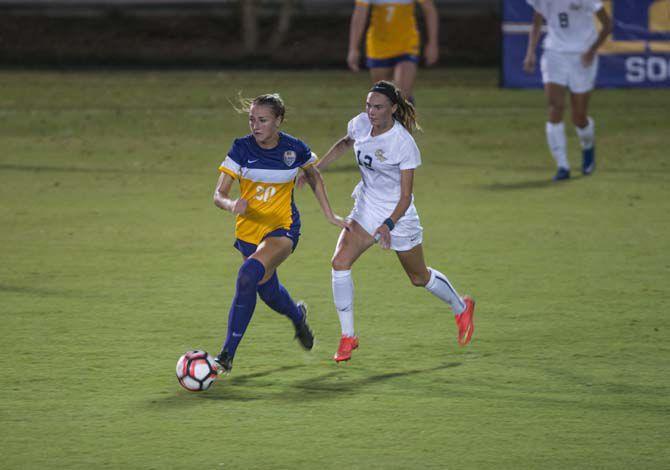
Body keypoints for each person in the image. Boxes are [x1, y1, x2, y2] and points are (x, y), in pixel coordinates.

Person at [298, 81, 475, 363]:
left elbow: (405, 197)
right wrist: (313, 171)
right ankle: (348, 337)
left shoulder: (403, 144)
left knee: (419, 278)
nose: (371, 111)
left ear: (393, 108)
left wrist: (388, 225)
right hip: (367, 206)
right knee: (340, 263)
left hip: (398, 215)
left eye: (378, 107)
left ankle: (461, 306)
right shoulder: (359, 124)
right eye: (368, 105)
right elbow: (345, 143)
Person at [212, 93, 349, 374]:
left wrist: (330, 214)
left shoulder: (293, 148)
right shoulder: (241, 148)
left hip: (283, 228)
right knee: (264, 287)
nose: (255, 125)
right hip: (249, 231)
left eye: (262, 120)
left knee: (247, 275)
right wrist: (231, 204)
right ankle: (297, 316)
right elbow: (219, 194)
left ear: (278, 121)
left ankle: (226, 355)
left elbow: (314, 176)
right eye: (252, 119)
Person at [523, 0, 611, 181]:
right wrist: (530, 52)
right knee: (556, 107)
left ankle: (588, 148)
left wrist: (592, 50)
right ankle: (562, 166)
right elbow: (537, 22)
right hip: (555, 53)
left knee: (579, 117)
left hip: (582, 55)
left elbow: (608, 25)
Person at [347, 0, 439, 103]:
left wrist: (432, 43)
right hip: (379, 46)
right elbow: (359, 14)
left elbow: (429, 9)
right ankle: (404, 110)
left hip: (407, 45)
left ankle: (406, 110)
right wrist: (353, 48)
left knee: (401, 93)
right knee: (384, 97)